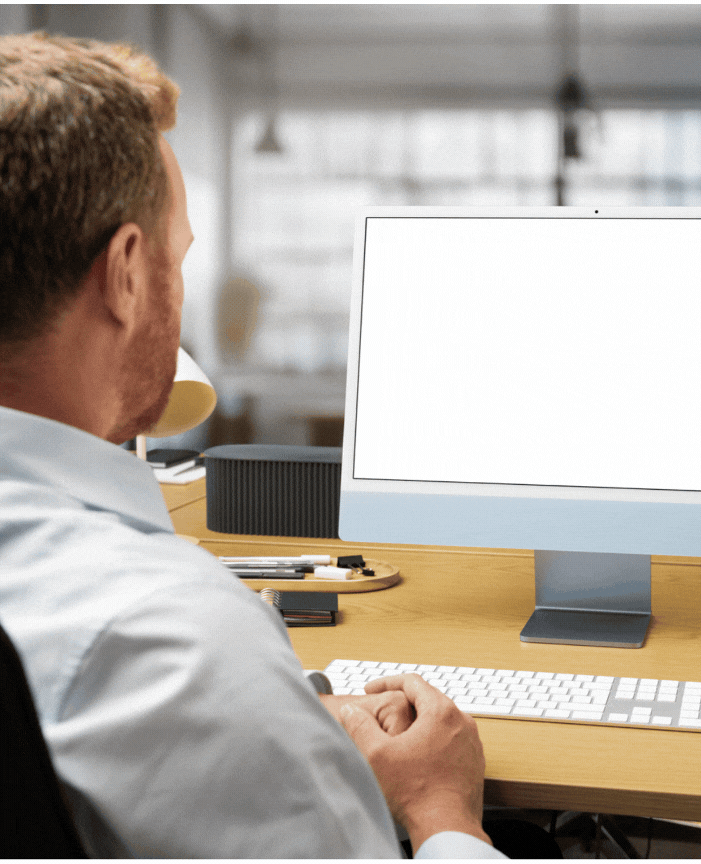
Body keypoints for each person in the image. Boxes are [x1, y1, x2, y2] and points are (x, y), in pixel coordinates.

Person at [0, 32, 504, 858]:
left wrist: (276, 717)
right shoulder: (172, 641)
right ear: (126, 274)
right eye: (178, 255)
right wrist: (443, 813)